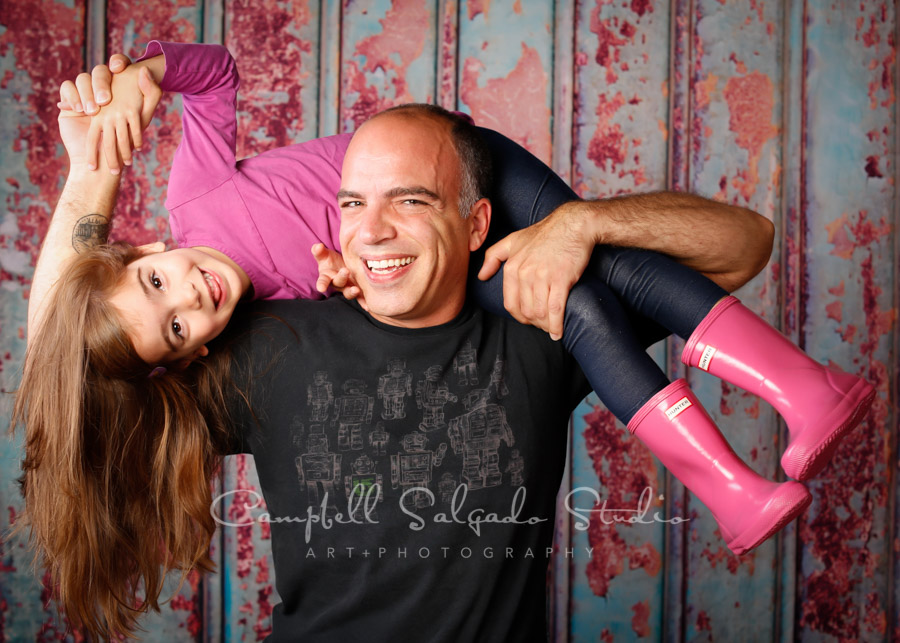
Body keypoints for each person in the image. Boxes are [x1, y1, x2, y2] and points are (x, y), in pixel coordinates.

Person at [12, 43, 872, 639]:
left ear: (474, 221)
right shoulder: (260, 348)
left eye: (410, 201)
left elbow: (744, 245)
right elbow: (68, 368)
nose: (374, 231)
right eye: (351, 206)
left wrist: (581, 224)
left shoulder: (536, 319)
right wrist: (95, 172)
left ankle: (757, 453)